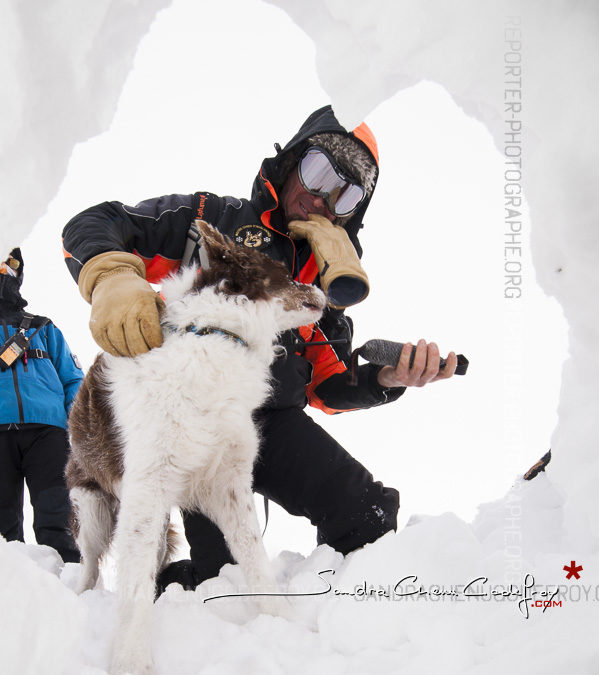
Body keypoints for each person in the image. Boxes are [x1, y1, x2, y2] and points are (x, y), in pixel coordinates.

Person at [61, 105, 457, 590]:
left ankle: (329, 613)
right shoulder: (207, 221)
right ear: (289, 164)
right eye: (316, 173)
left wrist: (386, 380)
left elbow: (327, 385)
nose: (323, 200)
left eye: (346, 195)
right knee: (221, 578)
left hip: (274, 421)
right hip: (190, 418)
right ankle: (169, 588)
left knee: (367, 516)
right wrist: (111, 275)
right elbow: (95, 222)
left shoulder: (317, 285)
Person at [0, 248, 83, 562]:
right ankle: (12, 595)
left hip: (48, 433)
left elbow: (73, 378)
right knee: (3, 527)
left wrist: (76, 425)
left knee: (58, 515)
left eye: (11, 264)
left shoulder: (42, 327)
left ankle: (70, 582)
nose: (5, 270)